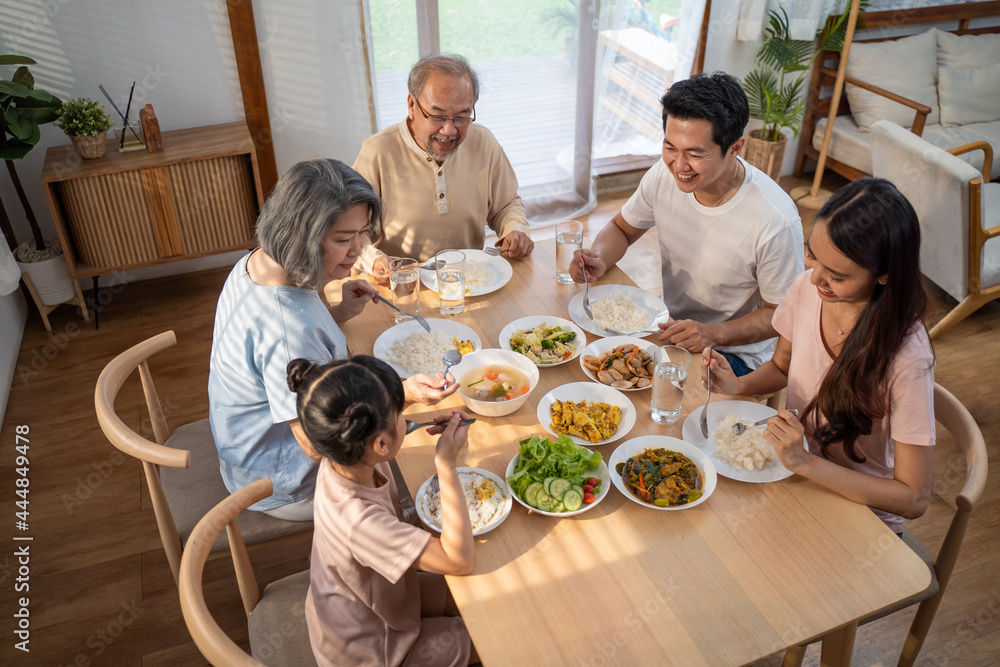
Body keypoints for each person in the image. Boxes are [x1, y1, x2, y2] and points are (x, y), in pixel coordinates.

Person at [208, 159, 457, 520]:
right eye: (343, 239)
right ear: (301, 236)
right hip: (282, 481)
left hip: (243, 447)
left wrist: (335, 314)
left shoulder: (260, 262)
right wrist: (402, 396)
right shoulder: (288, 330)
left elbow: (290, 344)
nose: (358, 250)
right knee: (429, 479)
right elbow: (316, 443)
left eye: (362, 233)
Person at [704, 178, 935, 534]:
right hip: (794, 475)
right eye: (812, 256)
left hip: (861, 514)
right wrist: (737, 385)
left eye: (838, 276)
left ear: (885, 275)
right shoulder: (808, 289)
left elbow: (914, 498)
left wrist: (805, 463)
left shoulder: (908, 359)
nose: (815, 280)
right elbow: (782, 366)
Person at [572, 72, 803, 375]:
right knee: (587, 362)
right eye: (670, 148)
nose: (679, 166)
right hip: (669, 328)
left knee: (644, 401)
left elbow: (782, 315)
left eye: (695, 154)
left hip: (732, 353)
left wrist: (711, 334)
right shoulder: (663, 175)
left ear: (735, 148)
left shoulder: (775, 220)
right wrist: (599, 258)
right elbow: (622, 229)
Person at [287, 355, 477, 667]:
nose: (405, 415)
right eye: (400, 412)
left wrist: (407, 395)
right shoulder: (360, 522)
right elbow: (460, 561)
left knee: (471, 595)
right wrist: (445, 464)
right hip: (374, 649)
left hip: (372, 600)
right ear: (381, 445)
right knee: (492, 630)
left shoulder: (343, 453)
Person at [353, 53, 534, 284]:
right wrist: (374, 260)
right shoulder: (377, 152)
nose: (449, 130)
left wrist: (515, 228)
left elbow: (507, 204)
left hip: (470, 281)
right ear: (411, 105)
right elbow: (352, 233)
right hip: (403, 285)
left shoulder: (483, 142)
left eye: (462, 116)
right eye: (438, 116)